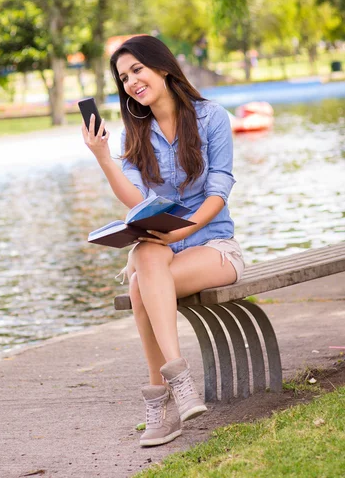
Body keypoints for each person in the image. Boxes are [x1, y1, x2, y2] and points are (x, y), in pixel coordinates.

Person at [82, 35, 244, 447]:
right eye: (123, 77)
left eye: (137, 69)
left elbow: (219, 191)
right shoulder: (134, 133)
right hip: (163, 252)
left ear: (163, 67)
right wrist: (103, 157)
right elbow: (138, 202)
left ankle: (161, 403)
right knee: (145, 257)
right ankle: (179, 377)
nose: (131, 81)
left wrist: (183, 230)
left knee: (141, 281)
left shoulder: (211, 118)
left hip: (214, 247)